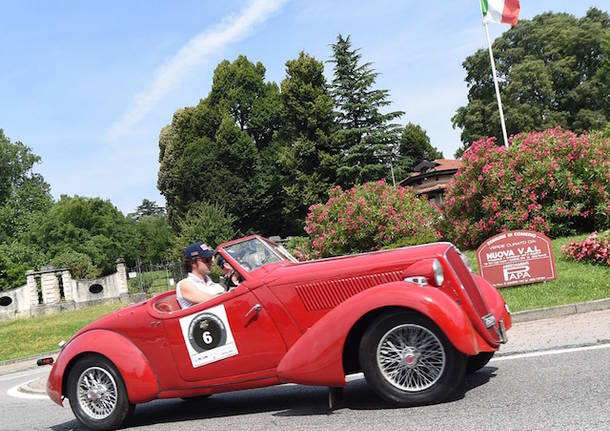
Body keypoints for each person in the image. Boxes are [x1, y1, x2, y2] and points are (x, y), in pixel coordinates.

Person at [176, 242, 225, 309]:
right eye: (207, 259)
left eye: (211, 258)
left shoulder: (211, 283)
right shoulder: (184, 284)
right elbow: (211, 301)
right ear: (193, 263)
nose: (211, 262)